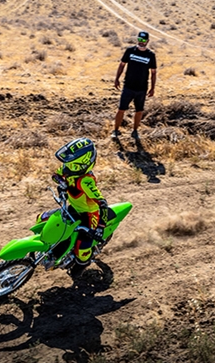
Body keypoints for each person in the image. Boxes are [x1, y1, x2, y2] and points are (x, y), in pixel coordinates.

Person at [36, 138, 108, 277]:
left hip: (89, 215)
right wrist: (62, 183)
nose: (66, 167)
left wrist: (100, 227)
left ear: (81, 164)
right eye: (66, 164)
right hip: (74, 208)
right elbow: (55, 175)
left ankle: (80, 267)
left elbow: (103, 204)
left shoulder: (86, 181)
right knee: (42, 218)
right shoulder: (68, 169)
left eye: (71, 164)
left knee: (82, 248)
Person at [112, 30, 157, 140]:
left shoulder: (151, 55)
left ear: (148, 41)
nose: (141, 42)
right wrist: (117, 79)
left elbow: (153, 73)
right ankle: (115, 130)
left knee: (139, 111)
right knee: (121, 109)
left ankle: (135, 131)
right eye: (140, 39)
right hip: (128, 86)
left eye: (144, 40)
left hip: (141, 88)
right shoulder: (130, 51)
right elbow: (122, 65)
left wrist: (152, 88)